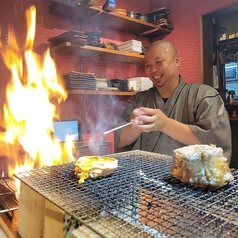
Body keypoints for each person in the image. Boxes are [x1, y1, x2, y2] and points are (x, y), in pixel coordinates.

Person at [114, 40, 232, 164]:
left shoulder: (204, 96)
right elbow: (120, 140)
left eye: (158, 62)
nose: (153, 69)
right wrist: (136, 126)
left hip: (189, 180)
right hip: (143, 179)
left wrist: (165, 124)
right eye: (147, 65)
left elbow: (213, 144)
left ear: (176, 61)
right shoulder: (139, 100)